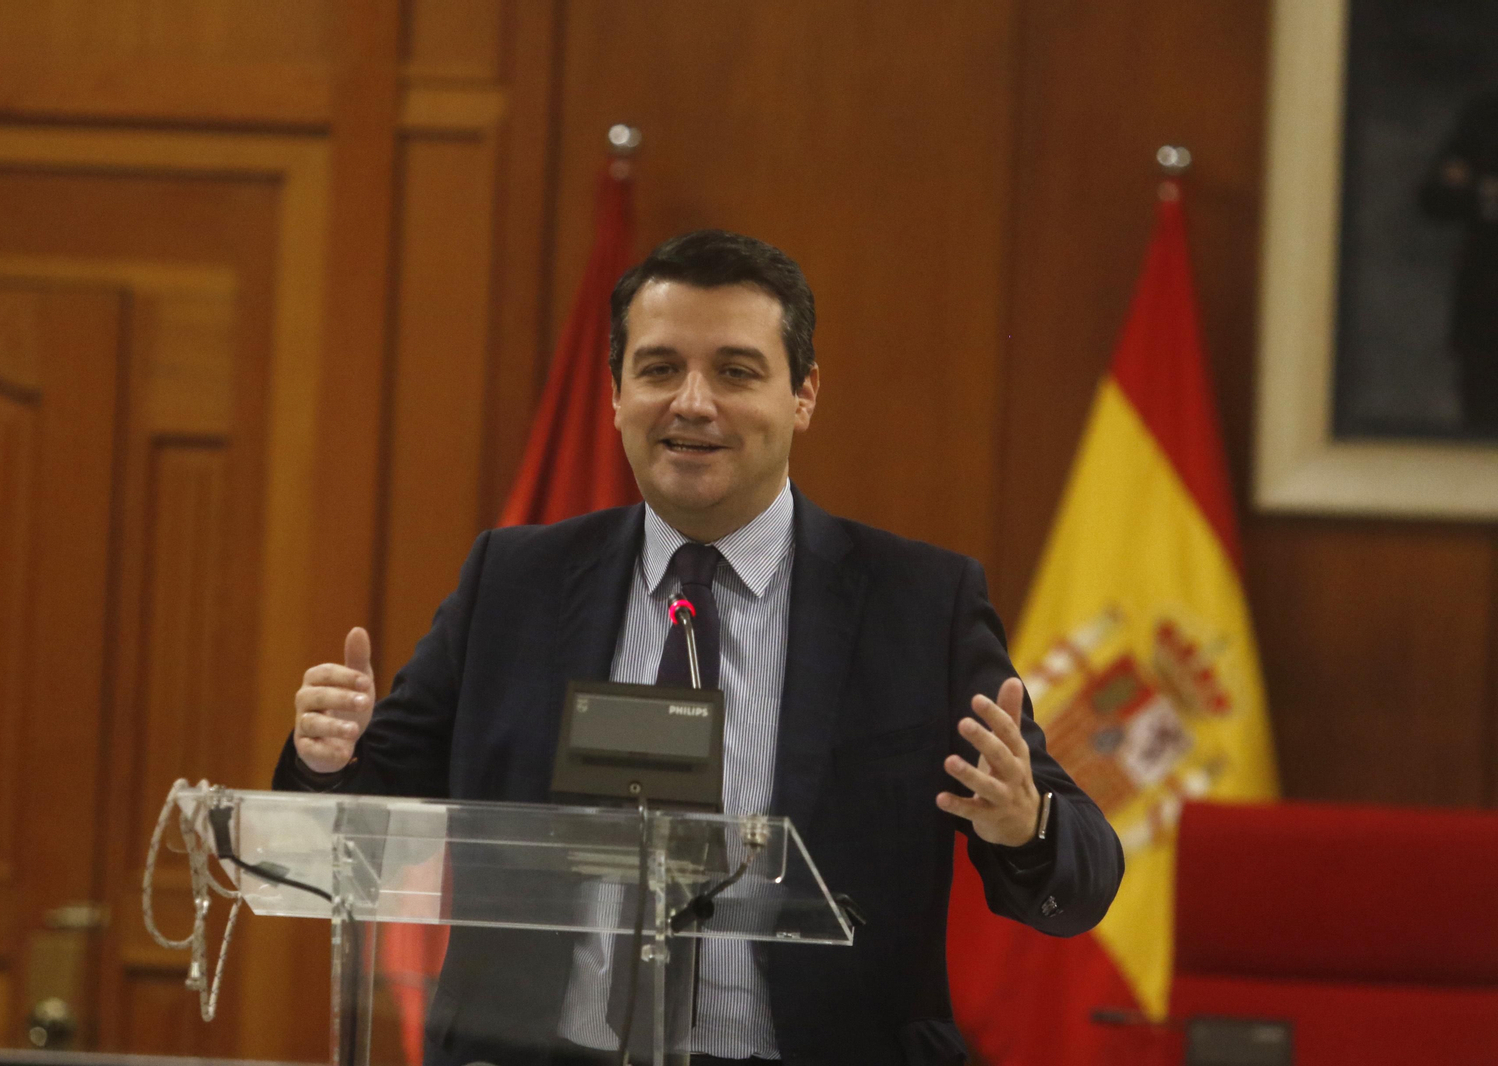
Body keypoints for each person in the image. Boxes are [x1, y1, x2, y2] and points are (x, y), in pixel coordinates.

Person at [277, 230, 1124, 1066]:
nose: (691, 402)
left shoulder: (919, 606)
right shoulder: (515, 583)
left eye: (735, 371)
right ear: (614, 394)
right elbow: (364, 818)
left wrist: (1024, 824)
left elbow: (1079, 883)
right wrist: (328, 760)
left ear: (805, 395)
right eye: (658, 369)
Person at [1421, 89, 1498, 434]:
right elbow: (1434, 197)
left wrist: (1477, 184)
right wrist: (1484, 194)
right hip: (1485, 307)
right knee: (1481, 423)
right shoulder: (1484, 113)